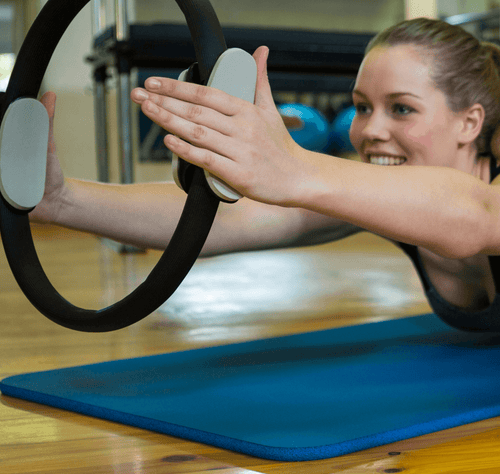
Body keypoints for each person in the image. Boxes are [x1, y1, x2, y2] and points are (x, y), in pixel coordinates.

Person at [29, 18, 500, 331]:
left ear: (470, 122)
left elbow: (477, 215)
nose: (371, 129)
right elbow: (223, 221)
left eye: (401, 108)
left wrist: (294, 167)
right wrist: (62, 200)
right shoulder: (393, 194)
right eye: (361, 107)